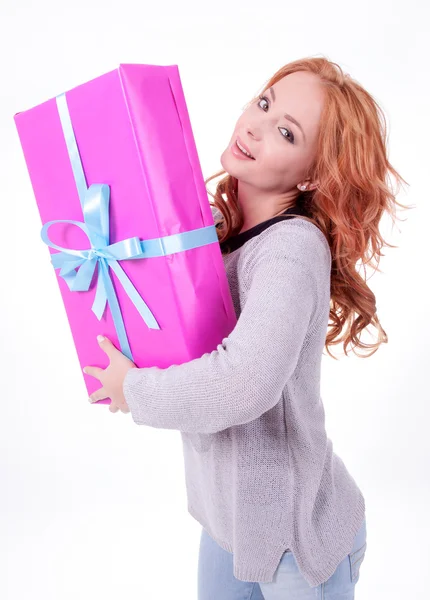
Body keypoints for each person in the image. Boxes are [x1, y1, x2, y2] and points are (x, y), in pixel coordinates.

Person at [86, 56, 409, 599]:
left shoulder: (289, 249)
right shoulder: (216, 232)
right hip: (229, 521)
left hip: (294, 535)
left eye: (286, 131)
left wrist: (135, 389)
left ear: (310, 175)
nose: (257, 126)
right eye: (264, 103)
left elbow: (243, 384)